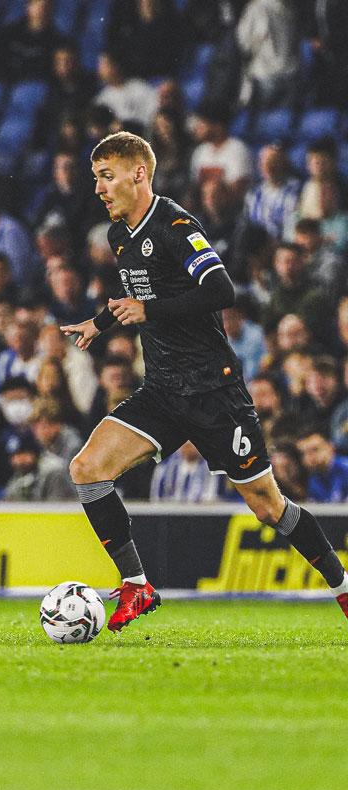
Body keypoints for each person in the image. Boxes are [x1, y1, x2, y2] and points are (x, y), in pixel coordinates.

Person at [60, 132, 348, 632]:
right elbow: (137, 296)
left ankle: (343, 590)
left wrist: (146, 310)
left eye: (107, 176)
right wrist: (100, 323)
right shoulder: (118, 237)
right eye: (96, 179)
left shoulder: (175, 225)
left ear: (139, 174)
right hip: (164, 389)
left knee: (268, 506)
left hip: (213, 390)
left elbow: (221, 290)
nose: (100, 189)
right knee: (86, 468)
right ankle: (136, 585)